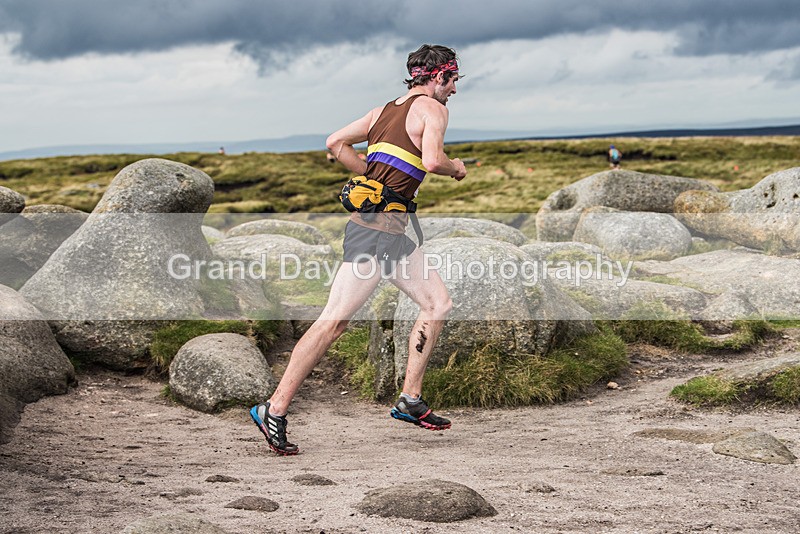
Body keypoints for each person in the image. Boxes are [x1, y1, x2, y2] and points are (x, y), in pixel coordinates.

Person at [250, 44, 467, 455]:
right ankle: (273, 409)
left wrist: (373, 177)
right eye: (454, 81)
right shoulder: (433, 110)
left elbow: (335, 142)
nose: (455, 90)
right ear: (439, 76)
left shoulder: (382, 111)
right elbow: (434, 161)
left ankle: (410, 399)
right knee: (333, 323)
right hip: (374, 236)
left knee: (438, 304)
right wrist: (457, 167)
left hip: (391, 235)